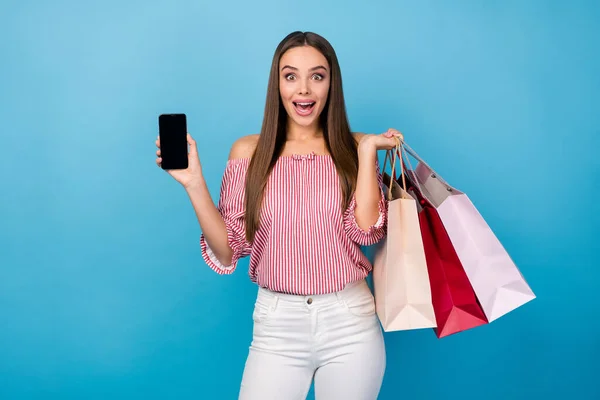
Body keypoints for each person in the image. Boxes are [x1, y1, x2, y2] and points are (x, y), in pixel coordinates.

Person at [155, 31, 403, 400]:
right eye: (291, 76)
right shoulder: (249, 151)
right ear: (277, 84)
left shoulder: (356, 147)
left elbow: (366, 231)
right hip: (276, 324)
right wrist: (193, 183)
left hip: (350, 320)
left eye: (317, 76)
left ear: (331, 84)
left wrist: (366, 149)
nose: (304, 89)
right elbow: (227, 251)